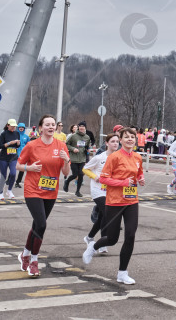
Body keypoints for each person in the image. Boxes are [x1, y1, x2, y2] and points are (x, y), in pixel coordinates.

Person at [82, 127, 145, 284]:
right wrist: (123, 182)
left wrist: (141, 179)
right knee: (112, 239)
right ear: (121, 140)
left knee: (130, 235)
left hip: (131, 201)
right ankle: (93, 246)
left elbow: (139, 174)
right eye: (126, 137)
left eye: (132, 137)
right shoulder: (114, 157)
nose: (130, 139)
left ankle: (122, 273)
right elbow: (104, 179)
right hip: (114, 201)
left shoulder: (137, 157)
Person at [17, 115, 71, 277]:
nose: (51, 127)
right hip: (33, 189)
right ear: (40, 128)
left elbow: (65, 173)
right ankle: (34, 261)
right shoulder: (32, 146)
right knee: (41, 224)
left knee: (37, 225)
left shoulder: (61, 146)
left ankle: (25, 254)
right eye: (47, 124)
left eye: (53, 124)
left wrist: (67, 160)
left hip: (51, 191)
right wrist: (29, 168)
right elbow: (18, 165)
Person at [83, 132, 120, 253]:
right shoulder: (99, 157)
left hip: (110, 191)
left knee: (103, 216)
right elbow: (85, 169)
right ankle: (103, 243)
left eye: (117, 141)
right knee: (107, 212)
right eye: (113, 141)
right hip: (98, 190)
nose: (115, 144)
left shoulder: (119, 157)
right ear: (107, 143)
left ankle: (89, 237)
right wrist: (95, 177)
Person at [63, 122, 89, 197]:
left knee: (81, 174)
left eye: (83, 126)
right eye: (80, 126)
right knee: (75, 175)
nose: (81, 127)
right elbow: (66, 145)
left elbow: (86, 146)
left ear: (85, 128)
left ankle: (78, 191)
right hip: (74, 158)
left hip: (82, 159)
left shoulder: (87, 137)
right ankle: (67, 182)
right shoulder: (73, 136)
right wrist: (73, 148)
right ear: (78, 128)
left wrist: (87, 151)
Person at [0, 119, 20, 200]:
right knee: (3, 176)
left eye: (15, 126)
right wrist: (10, 143)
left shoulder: (17, 133)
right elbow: (0, 146)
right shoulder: (3, 134)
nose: (13, 127)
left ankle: (9, 190)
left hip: (13, 157)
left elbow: (17, 146)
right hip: (3, 158)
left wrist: (17, 144)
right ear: (8, 125)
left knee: (13, 173)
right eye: (12, 126)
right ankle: (0, 193)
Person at [14, 123, 31, 188]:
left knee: (22, 169)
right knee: (13, 168)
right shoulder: (15, 135)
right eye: (20, 127)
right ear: (18, 128)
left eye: (22, 127)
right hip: (15, 154)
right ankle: (9, 180)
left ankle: (18, 182)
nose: (21, 128)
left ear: (24, 129)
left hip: (23, 155)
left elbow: (29, 145)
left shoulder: (26, 137)